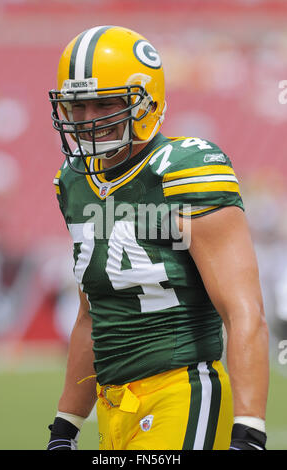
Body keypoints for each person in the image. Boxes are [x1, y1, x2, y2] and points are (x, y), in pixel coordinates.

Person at [47, 25, 269, 451]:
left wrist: (250, 430)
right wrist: (65, 425)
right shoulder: (72, 182)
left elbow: (243, 311)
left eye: (104, 103)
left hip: (182, 392)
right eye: (77, 106)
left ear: (145, 100)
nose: (89, 119)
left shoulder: (184, 169)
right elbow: (92, 315)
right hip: (115, 406)